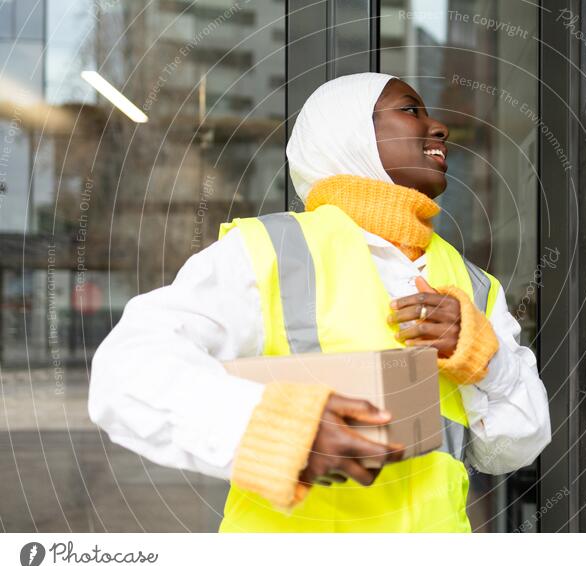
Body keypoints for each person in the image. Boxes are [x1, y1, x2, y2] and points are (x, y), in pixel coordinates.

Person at [88, 72, 551, 533]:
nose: (439, 128)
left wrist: (485, 360)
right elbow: (127, 371)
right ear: (346, 133)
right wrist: (275, 430)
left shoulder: (474, 286)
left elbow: (516, 449)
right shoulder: (271, 249)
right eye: (411, 110)